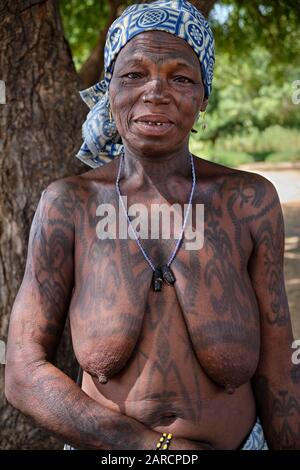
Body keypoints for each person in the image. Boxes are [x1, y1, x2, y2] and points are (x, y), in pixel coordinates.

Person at [4, 0, 299, 450]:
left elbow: (278, 370)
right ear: (109, 90)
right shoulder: (69, 205)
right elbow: (23, 371)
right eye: (134, 74)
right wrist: (152, 448)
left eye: (180, 77)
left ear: (203, 98)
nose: (155, 92)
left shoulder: (248, 202)